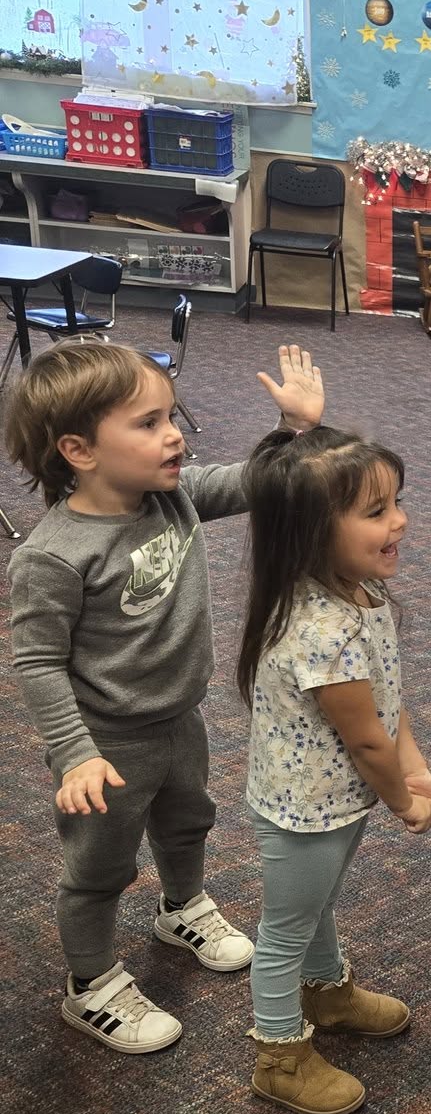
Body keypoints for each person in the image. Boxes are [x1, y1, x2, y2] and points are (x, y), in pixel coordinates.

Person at [6, 338, 324, 1056]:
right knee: (99, 868)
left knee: (189, 822)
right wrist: (75, 754)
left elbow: (258, 483)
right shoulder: (53, 555)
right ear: (80, 451)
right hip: (106, 747)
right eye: (148, 423)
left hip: (179, 715)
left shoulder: (170, 496)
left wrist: (297, 432)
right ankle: (90, 985)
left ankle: (181, 909)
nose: (174, 433)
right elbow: (37, 661)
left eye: (171, 416)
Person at [237, 426, 431, 1114]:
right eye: (376, 511)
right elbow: (365, 741)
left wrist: (414, 768)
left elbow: (389, 703)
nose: (401, 521)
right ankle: (279, 1055)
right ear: (310, 534)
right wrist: (403, 801)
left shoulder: (360, 594)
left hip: (338, 798)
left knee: (316, 905)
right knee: (284, 931)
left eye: (397, 502)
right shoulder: (321, 632)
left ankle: (326, 993)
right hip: (306, 808)